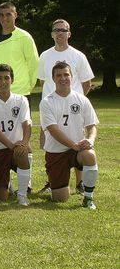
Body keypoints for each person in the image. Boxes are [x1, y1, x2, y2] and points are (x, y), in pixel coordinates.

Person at [37, 19, 95, 194]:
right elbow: (42, 82)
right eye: (56, 30)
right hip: (51, 109)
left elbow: (87, 83)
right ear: (52, 34)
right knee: (50, 145)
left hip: (74, 110)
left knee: (78, 144)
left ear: (69, 33)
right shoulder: (45, 56)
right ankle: (52, 181)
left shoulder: (78, 56)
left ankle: (80, 183)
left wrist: (74, 104)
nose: (59, 33)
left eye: (63, 30)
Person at [39, 62, 99, 209]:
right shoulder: (47, 102)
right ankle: (57, 187)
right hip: (56, 152)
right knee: (60, 199)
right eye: (58, 75)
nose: (63, 78)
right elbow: (53, 130)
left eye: (66, 74)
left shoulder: (82, 99)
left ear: (72, 76)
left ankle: (88, 198)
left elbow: (92, 126)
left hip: (77, 150)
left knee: (90, 155)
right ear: (53, 79)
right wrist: (73, 144)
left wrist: (89, 140)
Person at [0, 64, 32, 206]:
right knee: (1, 197)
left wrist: (24, 142)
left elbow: (27, 123)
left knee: (23, 151)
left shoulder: (21, 100)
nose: (3, 82)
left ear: (12, 80)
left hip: (16, 149)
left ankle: (22, 194)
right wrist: (11, 145)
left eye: (6, 78)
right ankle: (5, 184)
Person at [0, 2, 38, 99]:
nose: (4, 18)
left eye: (8, 14)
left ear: (15, 15)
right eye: (1, 15)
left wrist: (29, 86)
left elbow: (34, 64)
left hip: (20, 92)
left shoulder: (25, 37)